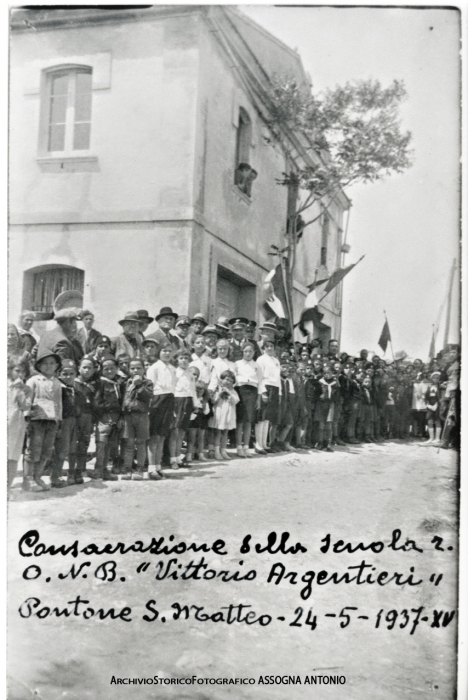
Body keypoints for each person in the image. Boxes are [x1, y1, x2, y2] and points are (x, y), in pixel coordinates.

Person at [23, 350, 63, 491]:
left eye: (52, 363)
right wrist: (27, 416)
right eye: (44, 363)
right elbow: (27, 398)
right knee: (34, 448)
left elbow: (58, 402)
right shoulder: (34, 380)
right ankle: (28, 479)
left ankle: (37, 477)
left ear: (57, 365)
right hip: (37, 420)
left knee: (46, 450)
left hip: (51, 420)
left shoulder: (57, 382)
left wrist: (59, 419)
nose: (48, 366)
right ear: (38, 365)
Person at [146, 343, 176, 479]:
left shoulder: (172, 369)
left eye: (170, 351)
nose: (167, 354)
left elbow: (173, 387)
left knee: (162, 435)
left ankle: (158, 467)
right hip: (157, 400)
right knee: (154, 435)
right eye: (164, 351)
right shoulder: (154, 368)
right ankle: (151, 468)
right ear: (159, 352)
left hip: (169, 399)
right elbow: (149, 388)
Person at [121, 358, 153, 480]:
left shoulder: (148, 383)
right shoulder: (126, 382)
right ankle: (127, 468)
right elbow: (124, 400)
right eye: (132, 368)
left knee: (141, 443)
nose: (135, 370)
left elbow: (147, 397)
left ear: (144, 369)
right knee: (128, 443)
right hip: (128, 415)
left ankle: (140, 468)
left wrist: (139, 385)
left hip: (142, 415)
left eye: (138, 368)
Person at [91, 357, 122, 481]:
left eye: (112, 368)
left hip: (116, 418)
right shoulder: (100, 383)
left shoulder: (119, 383)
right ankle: (98, 469)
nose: (109, 371)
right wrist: (107, 412)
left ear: (117, 369)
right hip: (104, 418)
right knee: (101, 444)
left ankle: (105, 470)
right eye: (106, 369)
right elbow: (97, 402)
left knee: (110, 445)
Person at [169, 349, 200, 468]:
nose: (184, 361)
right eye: (181, 358)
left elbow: (193, 391)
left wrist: (195, 404)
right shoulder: (174, 373)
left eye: (186, 358)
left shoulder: (190, 375)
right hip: (177, 401)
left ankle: (178, 457)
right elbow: (172, 389)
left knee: (182, 431)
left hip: (187, 402)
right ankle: (172, 459)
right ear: (177, 360)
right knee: (175, 431)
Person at [51, 359, 78, 488]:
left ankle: (63, 474)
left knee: (69, 448)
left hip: (73, 421)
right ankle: (55, 477)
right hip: (62, 421)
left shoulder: (73, 388)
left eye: (71, 374)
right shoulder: (58, 388)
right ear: (59, 374)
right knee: (61, 450)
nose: (68, 377)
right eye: (65, 373)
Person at [7, 357, 32, 489]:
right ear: (10, 370)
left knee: (13, 455)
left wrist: (20, 391)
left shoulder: (27, 389)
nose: (20, 374)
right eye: (17, 371)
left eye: (23, 372)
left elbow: (25, 407)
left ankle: (7, 485)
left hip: (16, 424)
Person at [74, 357, 99, 484]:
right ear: (79, 369)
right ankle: (73, 469)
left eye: (90, 368)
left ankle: (81, 467)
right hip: (75, 417)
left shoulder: (93, 385)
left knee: (85, 441)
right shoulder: (74, 383)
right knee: (74, 441)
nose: (87, 370)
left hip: (88, 417)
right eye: (84, 367)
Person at [234, 342, 260, 457]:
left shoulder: (257, 365)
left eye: (250, 351)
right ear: (242, 352)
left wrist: (258, 399)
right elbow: (234, 379)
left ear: (254, 353)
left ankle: (246, 447)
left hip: (252, 392)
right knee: (239, 421)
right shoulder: (237, 364)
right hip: (240, 390)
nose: (248, 353)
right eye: (245, 351)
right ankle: (239, 447)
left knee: (248, 421)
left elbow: (260, 382)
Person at [255, 339, 281, 453]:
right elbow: (259, 377)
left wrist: (279, 393)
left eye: (271, 346)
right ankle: (258, 444)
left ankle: (264, 444)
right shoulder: (260, 359)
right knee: (262, 417)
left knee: (268, 419)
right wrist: (263, 392)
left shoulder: (276, 360)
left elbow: (278, 378)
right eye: (267, 346)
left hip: (275, 389)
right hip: (265, 387)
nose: (269, 348)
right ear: (263, 348)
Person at [208, 370, 239, 460]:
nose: (228, 382)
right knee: (218, 433)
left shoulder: (233, 391)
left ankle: (223, 450)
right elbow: (213, 401)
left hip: (228, 415)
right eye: (227, 379)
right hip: (220, 413)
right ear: (221, 380)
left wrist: (229, 393)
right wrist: (219, 394)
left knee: (225, 433)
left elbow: (236, 401)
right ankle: (216, 450)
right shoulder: (217, 389)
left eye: (231, 381)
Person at [314, 366, 339, 452]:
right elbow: (316, 393)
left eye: (329, 373)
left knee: (329, 424)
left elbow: (337, 395)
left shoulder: (335, 383)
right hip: (321, 404)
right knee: (321, 424)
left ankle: (328, 443)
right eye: (325, 373)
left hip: (330, 405)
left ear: (332, 373)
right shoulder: (320, 382)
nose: (327, 375)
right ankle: (320, 442)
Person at [424, 371, 442, 444]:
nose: (435, 379)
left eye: (437, 378)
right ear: (431, 378)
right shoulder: (429, 387)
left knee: (437, 421)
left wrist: (437, 404)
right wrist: (427, 404)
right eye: (434, 378)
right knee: (430, 421)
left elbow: (440, 397)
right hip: (430, 405)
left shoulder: (441, 387)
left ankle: (437, 438)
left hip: (438, 405)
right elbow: (426, 396)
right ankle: (431, 438)